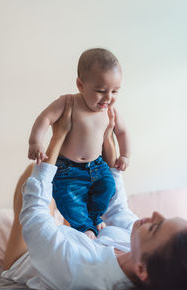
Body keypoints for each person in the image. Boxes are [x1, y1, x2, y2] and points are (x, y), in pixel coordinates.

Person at [2, 101, 187, 290]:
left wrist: (58, 136)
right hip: (79, 238)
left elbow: (35, 217)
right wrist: (107, 137)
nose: (156, 214)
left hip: (29, 257)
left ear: (142, 270)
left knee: (34, 174)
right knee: (81, 194)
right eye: (164, 219)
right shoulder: (136, 246)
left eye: (155, 228)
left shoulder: (79, 268)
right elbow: (117, 208)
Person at [28, 48, 130, 238]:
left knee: (108, 187)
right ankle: (83, 227)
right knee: (70, 199)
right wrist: (35, 142)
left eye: (115, 91)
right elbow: (45, 118)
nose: (108, 98)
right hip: (68, 170)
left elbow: (122, 132)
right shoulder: (68, 103)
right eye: (100, 91)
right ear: (80, 84)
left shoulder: (110, 111)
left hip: (97, 166)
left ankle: (94, 217)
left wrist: (125, 155)